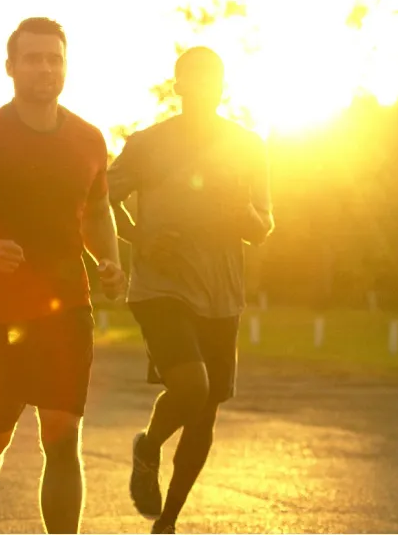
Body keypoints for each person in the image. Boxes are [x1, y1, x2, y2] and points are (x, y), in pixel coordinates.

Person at [0, 17, 126, 534]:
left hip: (66, 309)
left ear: (66, 66)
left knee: (61, 435)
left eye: (54, 58)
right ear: (10, 67)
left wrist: (109, 259)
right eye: (32, 58)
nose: (44, 67)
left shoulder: (88, 139)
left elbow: (98, 209)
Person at [107, 47, 274, 534]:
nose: (203, 88)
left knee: (204, 417)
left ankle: (168, 523)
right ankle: (149, 443)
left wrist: (242, 213)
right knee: (192, 388)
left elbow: (263, 224)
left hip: (221, 293)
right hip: (161, 287)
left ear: (222, 86)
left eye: (212, 80)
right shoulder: (147, 144)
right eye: (193, 79)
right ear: (178, 86)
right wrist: (139, 238)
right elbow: (98, 199)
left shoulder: (248, 145)